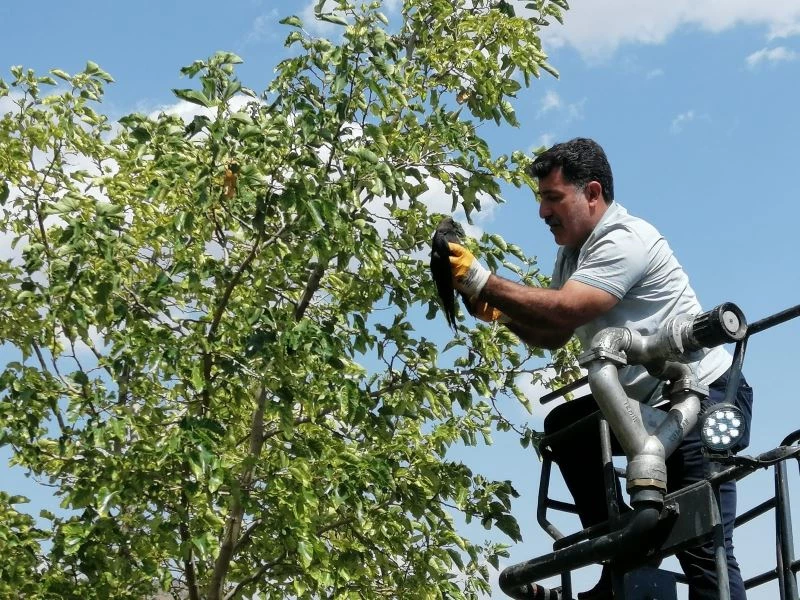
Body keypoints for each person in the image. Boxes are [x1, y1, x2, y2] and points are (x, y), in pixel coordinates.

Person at [446, 138, 753, 599]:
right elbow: (555, 333)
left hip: (703, 398)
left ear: (591, 193)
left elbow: (568, 308)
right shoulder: (573, 254)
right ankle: (624, 547)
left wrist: (481, 281)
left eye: (552, 198)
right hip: (648, 407)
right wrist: (503, 316)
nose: (543, 212)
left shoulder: (624, 238)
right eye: (541, 200)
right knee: (568, 427)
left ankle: (640, 556)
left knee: (704, 549)